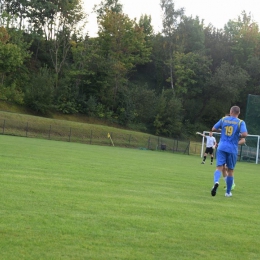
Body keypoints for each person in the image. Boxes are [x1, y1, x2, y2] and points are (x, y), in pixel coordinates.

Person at [210, 106, 248, 197]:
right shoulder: (240, 122)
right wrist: (237, 135)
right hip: (232, 148)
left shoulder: (224, 119)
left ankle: (216, 182)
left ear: (230, 111)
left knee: (219, 167)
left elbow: (213, 129)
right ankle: (227, 192)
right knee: (230, 170)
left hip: (222, 146)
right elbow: (244, 134)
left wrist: (222, 130)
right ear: (238, 113)